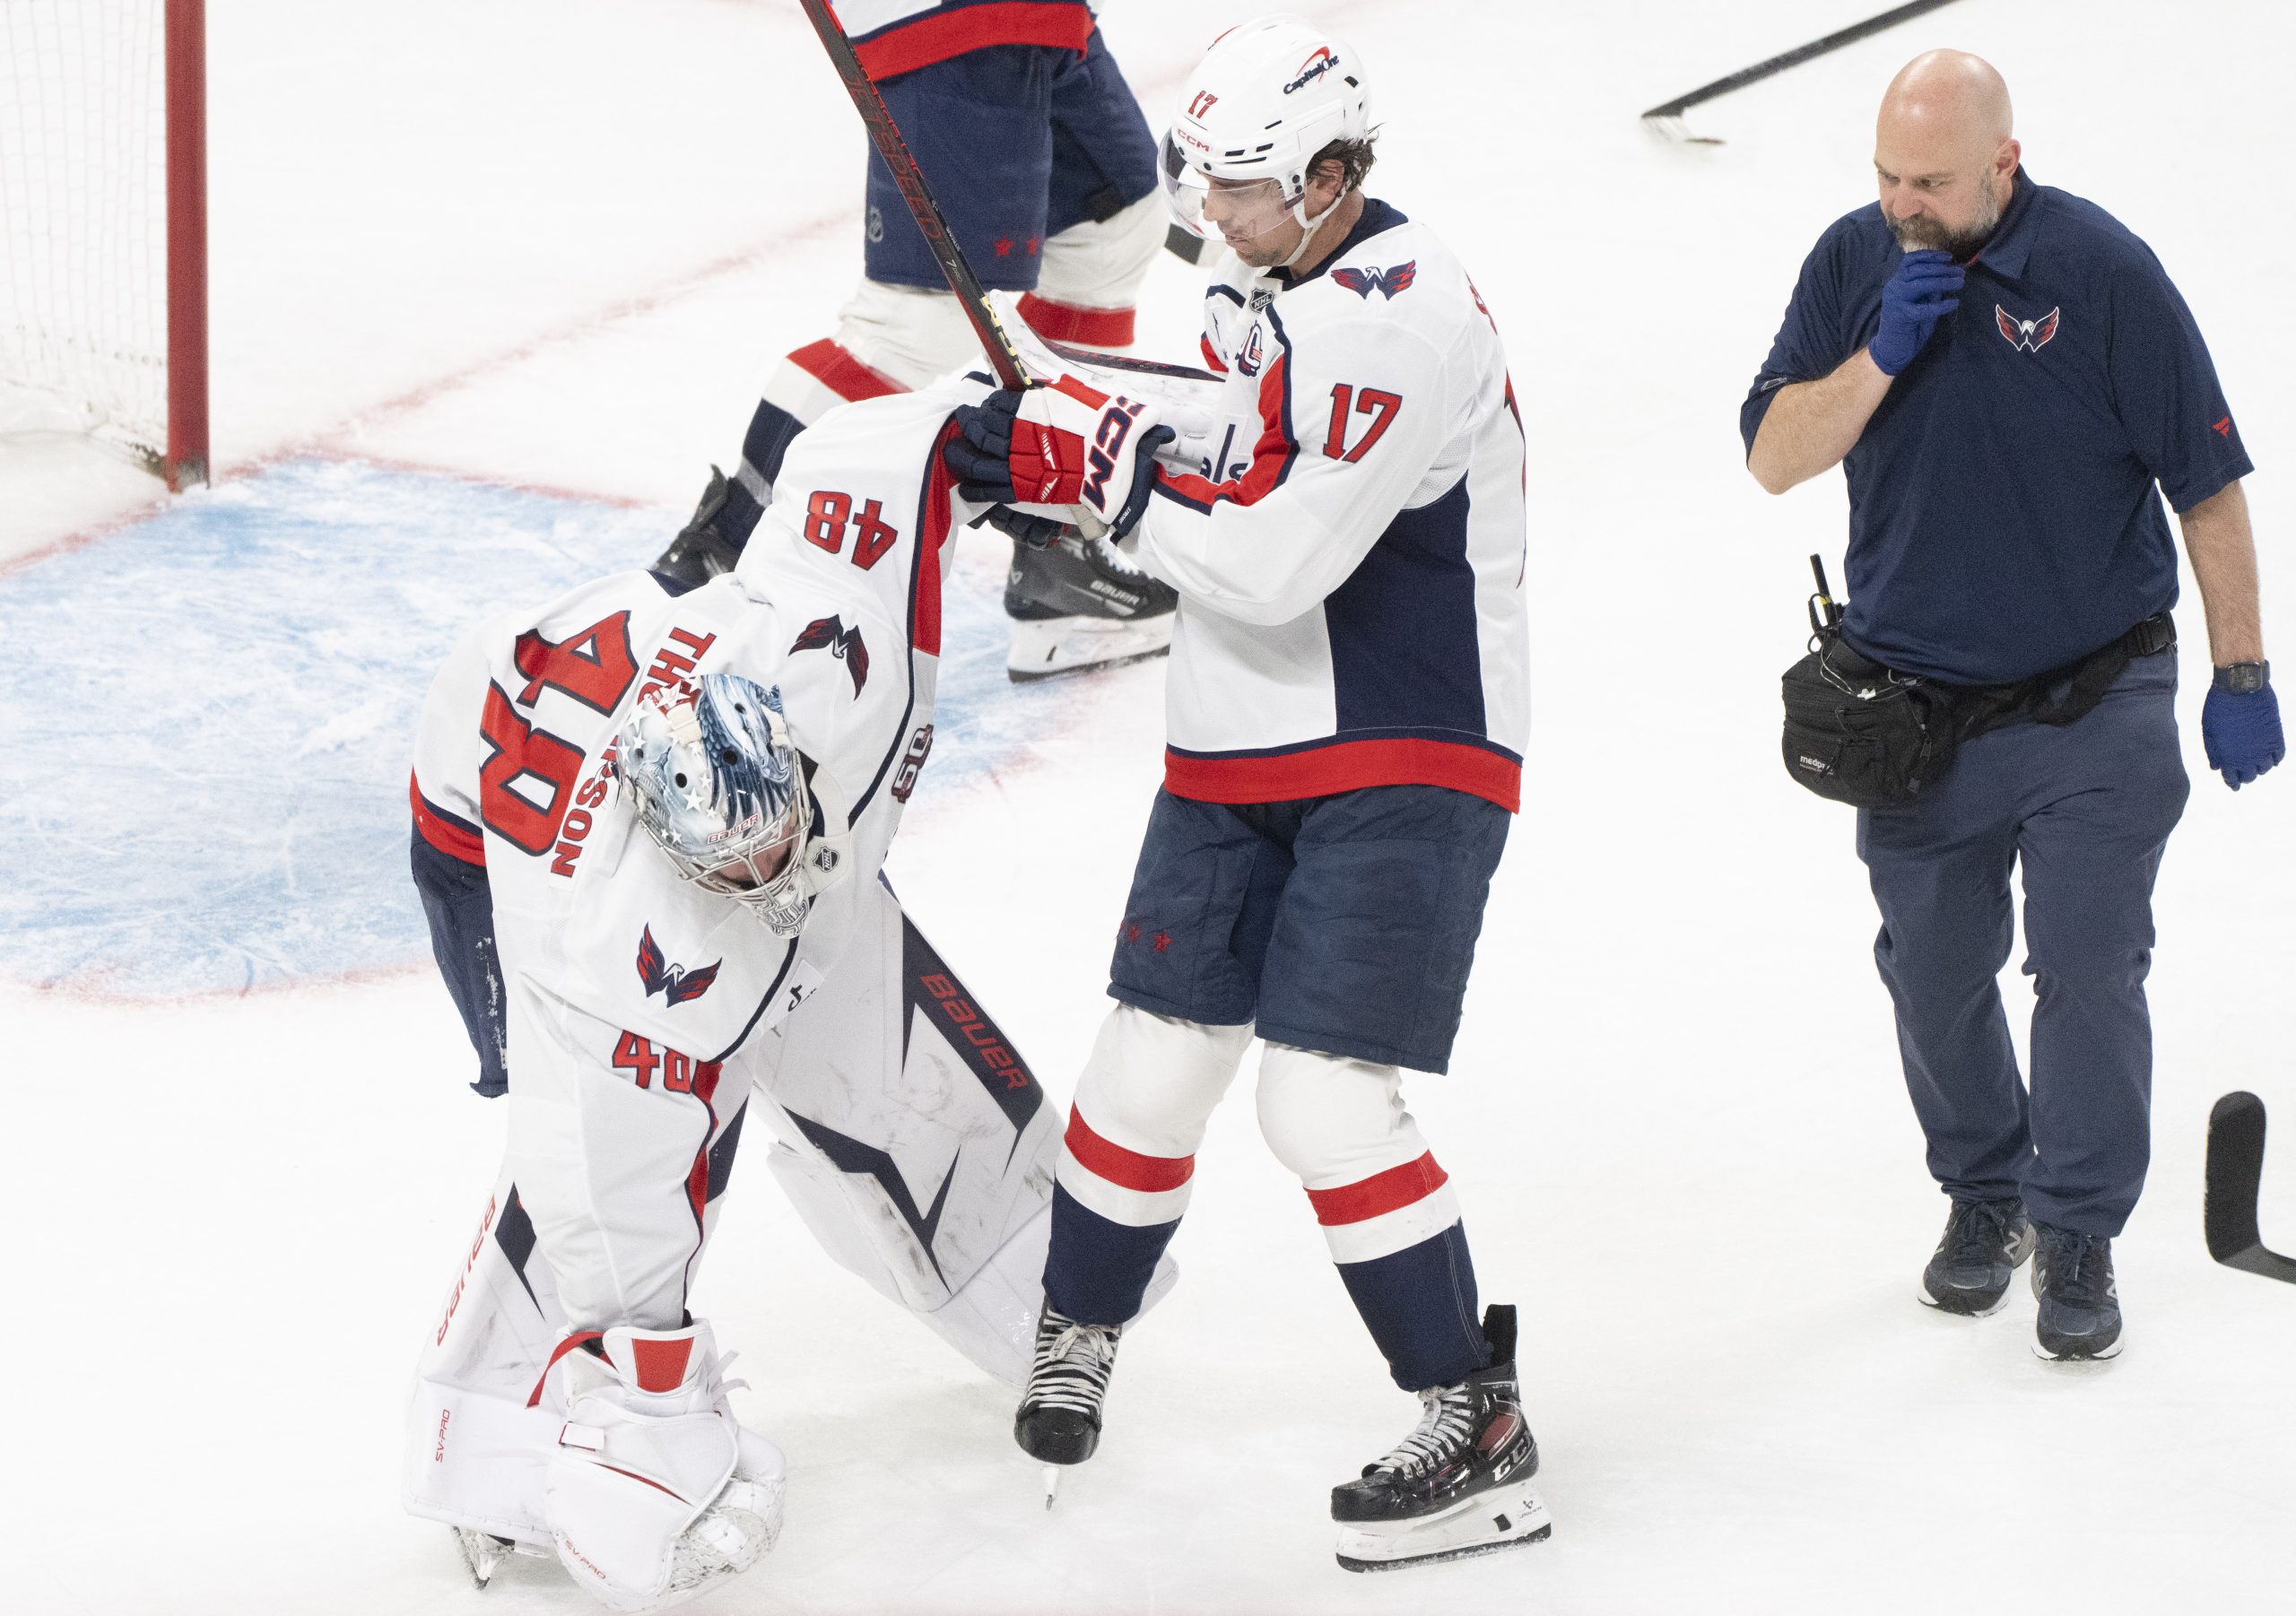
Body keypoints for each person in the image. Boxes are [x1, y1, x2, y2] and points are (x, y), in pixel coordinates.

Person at [943, 15, 1544, 1572]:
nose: (1208, 213)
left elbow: (1274, 563)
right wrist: (1069, 415)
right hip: (1235, 748)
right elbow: (1231, 429)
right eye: (1198, 173)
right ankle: (1078, 1324)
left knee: (1322, 1097)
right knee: (1145, 1070)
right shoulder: (1269, 272)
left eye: (1244, 182)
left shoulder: (1401, 319)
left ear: (1336, 177)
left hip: (1402, 750)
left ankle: (1475, 1419)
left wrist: (1097, 466)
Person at [400, 381, 1097, 1610]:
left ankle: (1049, 1298)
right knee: (600, 1226)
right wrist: (495, 1030)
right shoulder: (611, 960)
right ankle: (497, 1445)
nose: (766, 871)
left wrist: (982, 435)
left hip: (715, 839)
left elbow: (858, 465)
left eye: (774, 838)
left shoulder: (822, 663)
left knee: (896, 1058)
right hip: (570, 901)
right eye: (741, 864)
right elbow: (602, 1198)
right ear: (667, 841)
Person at [1743, 50, 2283, 1362]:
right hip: (1914, 709)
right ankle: (1986, 1188)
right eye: (1885, 176)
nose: (1903, 203)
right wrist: (1879, 353)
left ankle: (2079, 1219)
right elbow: (1773, 457)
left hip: (2096, 692)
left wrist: (2243, 672)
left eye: (1929, 180)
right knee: (1930, 972)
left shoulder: (2104, 274)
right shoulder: (1852, 263)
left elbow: (2204, 485)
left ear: (2005, 163)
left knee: (2090, 964)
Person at [656, 0, 1180, 682]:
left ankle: (1060, 546)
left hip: (1041, 14)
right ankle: (705, 576)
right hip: (959, 13)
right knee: (911, 320)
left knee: (1112, 230)